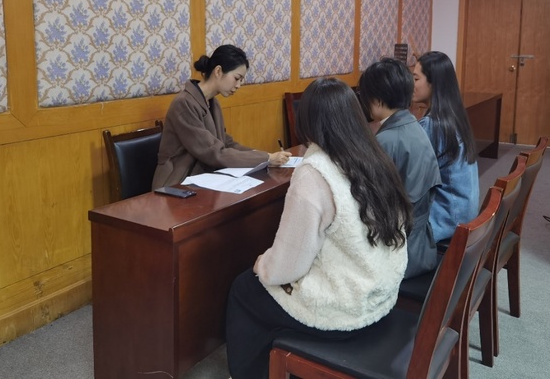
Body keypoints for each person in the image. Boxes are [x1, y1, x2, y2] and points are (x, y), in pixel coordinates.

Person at [225, 78, 412, 379]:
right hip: (380, 294)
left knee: (245, 288)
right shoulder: (373, 156)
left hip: (343, 311)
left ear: (307, 121)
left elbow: (287, 267)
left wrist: (263, 265)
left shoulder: (314, 172)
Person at [152, 45, 290, 189]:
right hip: (177, 182)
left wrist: (263, 155)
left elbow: (225, 143)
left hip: (204, 176)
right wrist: (266, 158)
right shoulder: (184, 103)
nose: (239, 85)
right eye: (237, 78)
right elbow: (214, 152)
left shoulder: (213, 102)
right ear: (218, 71)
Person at [358, 58, 441, 278]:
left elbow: (368, 204)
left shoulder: (387, 140)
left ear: (376, 100)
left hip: (400, 254)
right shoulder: (415, 126)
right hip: (421, 245)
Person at [413, 51, 480, 242]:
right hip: (465, 212)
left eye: (416, 79)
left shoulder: (433, 125)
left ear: (434, 83)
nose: (411, 84)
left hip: (447, 219)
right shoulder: (453, 115)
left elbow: (412, 175)